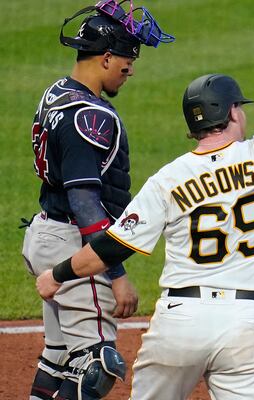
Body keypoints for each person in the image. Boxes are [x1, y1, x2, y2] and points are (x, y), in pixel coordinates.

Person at [36, 30, 254, 399]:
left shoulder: (168, 178)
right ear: (233, 111)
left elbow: (112, 247)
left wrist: (56, 275)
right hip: (246, 324)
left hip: (179, 321)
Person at [22, 1, 173, 399]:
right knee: (97, 367)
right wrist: (116, 274)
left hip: (46, 232)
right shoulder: (89, 116)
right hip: (76, 245)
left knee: (58, 357)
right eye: (126, 62)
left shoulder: (57, 93)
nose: (130, 70)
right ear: (106, 58)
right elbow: (86, 202)